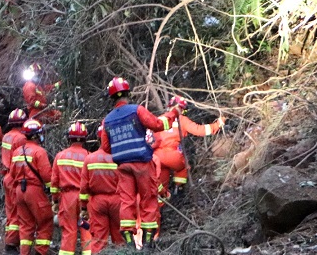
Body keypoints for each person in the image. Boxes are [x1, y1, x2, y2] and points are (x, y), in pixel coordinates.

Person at [100, 77, 179, 248]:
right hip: (142, 163)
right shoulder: (137, 110)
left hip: (123, 166)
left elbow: (106, 147)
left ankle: (129, 242)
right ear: (128, 93)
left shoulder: (107, 120)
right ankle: (148, 243)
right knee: (148, 199)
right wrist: (173, 113)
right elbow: (158, 124)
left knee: (127, 201)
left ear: (112, 98)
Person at [153, 96, 224, 193]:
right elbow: (199, 130)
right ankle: (179, 189)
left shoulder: (159, 119)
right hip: (172, 154)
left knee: (161, 183)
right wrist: (217, 125)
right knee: (183, 167)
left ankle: (161, 203)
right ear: (181, 109)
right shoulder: (181, 119)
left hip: (156, 156)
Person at [10, 119, 54, 255]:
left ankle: (24, 252)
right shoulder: (39, 152)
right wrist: (54, 191)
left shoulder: (17, 152)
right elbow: (47, 175)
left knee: (25, 225)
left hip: (19, 191)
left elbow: (12, 173)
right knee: (45, 220)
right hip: (34, 191)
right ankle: (40, 252)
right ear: (36, 135)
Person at [81, 124, 126, 254]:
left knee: (99, 239)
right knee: (120, 237)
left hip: (97, 202)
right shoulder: (120, 158)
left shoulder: (89, 159)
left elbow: (84, 187)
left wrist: (84, 207)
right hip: (118, 200)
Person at [51, 122, 91, 255]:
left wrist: (55, 201)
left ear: (69, 138)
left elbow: (54, 182)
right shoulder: (89, 156)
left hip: (67, 198)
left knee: (68, 231)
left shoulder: (60, 156)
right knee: (87, 230)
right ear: (85, 138)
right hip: (84, 197)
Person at [1, 109, 29, 251]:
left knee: (10, 210)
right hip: (14, 178)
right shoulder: (21, 139)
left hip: (7, 176)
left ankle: (10, 239)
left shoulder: (7, 136)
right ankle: (12, 244)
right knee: (17, 213)